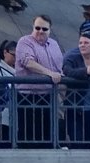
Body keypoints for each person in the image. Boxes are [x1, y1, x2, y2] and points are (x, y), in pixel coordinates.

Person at [15, 15, 64, 148]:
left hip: (48, 95)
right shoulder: (24, 41)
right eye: (37, 28)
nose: (40, 31)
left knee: (47, 134)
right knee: (28, 135)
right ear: (33, 27)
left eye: (44, 29)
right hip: (27, 96)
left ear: (49, 30)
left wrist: (58, 75)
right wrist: (49, 73)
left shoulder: (54, 44)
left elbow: (58, 66)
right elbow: (28, 62)